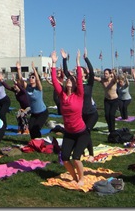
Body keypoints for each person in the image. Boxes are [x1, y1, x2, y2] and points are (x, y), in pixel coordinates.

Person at [51, 49, 91, 187]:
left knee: (76, 158)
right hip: (69, 133)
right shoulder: (62, 95)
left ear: (74, 85)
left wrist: (78, 62)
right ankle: (74, 177)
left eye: (71, 80)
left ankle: (82, 179)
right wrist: (54, 64)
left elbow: (80, 80)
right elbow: (54, 81)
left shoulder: (78, 95)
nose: (69, 80)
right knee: (65, 158)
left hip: (81, 133)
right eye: (67, 79)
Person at [62, 48, 98, 161]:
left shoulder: (89, 83)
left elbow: (92, 71)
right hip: (80, 114)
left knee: (87, 131)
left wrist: (85, 59)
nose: (79, 73)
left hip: (91, 113)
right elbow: (66, 72)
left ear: (84, 74)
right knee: (82, 133)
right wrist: (64, 60)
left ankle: (91, 154)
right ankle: (80, 152)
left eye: (81, 71)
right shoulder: (76, 86)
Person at [16, 61, 48, 139]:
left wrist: (34, 70)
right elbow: (21, 80)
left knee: (36, 129)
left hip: (42, 113)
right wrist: (19, 69)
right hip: (34, 113)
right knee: (30, 128)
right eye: (30, 77)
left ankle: (39, 142)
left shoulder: (39, 88)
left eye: (32, 77)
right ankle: (34, 142)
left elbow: (38, 81)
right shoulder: (28, 87)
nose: (31, 78)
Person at [95, 67, 118, 133]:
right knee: (107, 115)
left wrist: (114, 73)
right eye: (104, 73)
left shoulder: (113, 80)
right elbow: (95, 78)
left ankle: (112, 130)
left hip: (115, 100)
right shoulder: (103, 80)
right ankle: (110, 127)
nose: (105, 75)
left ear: (110, 74)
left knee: (111, 115)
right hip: (107, 100)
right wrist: (89, 73)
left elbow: (116, 79)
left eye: (106, 73)